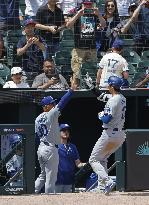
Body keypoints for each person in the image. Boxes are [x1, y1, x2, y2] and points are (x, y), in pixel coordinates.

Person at [85, 75, 126, 194]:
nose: (108, 86)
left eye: (109, 84)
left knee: (93, 160)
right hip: (119, 135)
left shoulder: (113, 100)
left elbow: (106, 119)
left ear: (112, 86)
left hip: (109, 134)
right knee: (102, 159)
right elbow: (102, 96)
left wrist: (100, 115)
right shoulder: (122, 97)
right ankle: (102, 187)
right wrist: (92, 87)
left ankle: (107, 181)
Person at [35, 79, 77, 193]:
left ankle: (32, 192)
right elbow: (62, 103)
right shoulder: (50, 114)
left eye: (53, 103)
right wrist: (71, 91)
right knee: (51, 176)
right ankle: (49, 198)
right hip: (49, 148)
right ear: (45, 106)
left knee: (42, 175)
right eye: (51, 104)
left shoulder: (37, 118)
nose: (53, 105)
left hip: (41, 147)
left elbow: (36, 136)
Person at [66, 0, 106, 88]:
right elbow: (68, 25)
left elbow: (103, 25)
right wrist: (78, 14)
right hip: (79, 49)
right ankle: (74, 91)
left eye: (89, 4)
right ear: (82, 4)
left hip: (92, 48)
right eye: (86, 4)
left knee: (92, 72)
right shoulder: (76, 12)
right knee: (76, 73)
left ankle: (92, 91)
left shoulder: (95, 14)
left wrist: (98, 15)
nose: (88, 6)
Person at [55, 123, 85, 193]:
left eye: (67, 130)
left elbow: (78, 164)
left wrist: (89, 164)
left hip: (69, 181)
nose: (66, 132)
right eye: (63, 130)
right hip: (57, 180)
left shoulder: (73, 147)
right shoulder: (54, 146)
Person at [17, 18, 46, 85]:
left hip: (39, 70)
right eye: (28, 27)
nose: (30, 29)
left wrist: (37, 43)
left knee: (39, 89)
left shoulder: (39, 38)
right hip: (26, 71)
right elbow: (18, 53)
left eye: (32, 27)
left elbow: (44, 49)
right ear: (24, 29)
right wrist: (27, 44)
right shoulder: (22, 40)